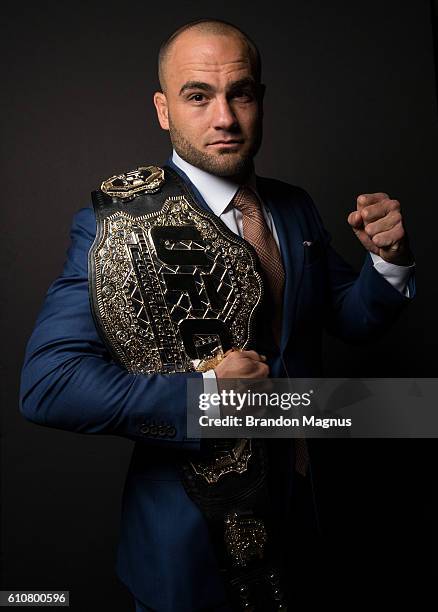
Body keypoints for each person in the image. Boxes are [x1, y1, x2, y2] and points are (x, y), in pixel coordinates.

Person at [19, 18, 415, 612]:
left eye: (241, 94)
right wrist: (205, 396)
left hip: (306, 515)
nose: (224, 118)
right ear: (163, 109)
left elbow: (348, 319)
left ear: (260, 100)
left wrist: (387, 264)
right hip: (190, 541)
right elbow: (48, 386)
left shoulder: (292, 204)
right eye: (197, 96)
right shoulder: (118, 225)